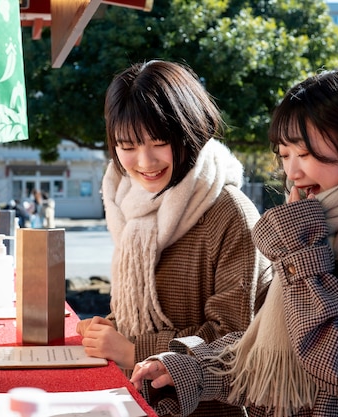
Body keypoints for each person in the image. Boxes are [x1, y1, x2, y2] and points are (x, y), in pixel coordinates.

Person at [130, 67, 338, 417]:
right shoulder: (321, 220)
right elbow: (271, 349)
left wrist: (302, 247)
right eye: (285, 155)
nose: (292, 173)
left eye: (304, 154)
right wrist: (190, 369)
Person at [75, 60, 271, 417]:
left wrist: (133, 348)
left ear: (190, 132)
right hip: (141, 399)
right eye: (127, 145)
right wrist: (111, 328)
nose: (144, 161)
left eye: (160, 142)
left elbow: (236, 339)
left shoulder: (228, 211)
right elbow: (143, 309)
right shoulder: (128, 204)